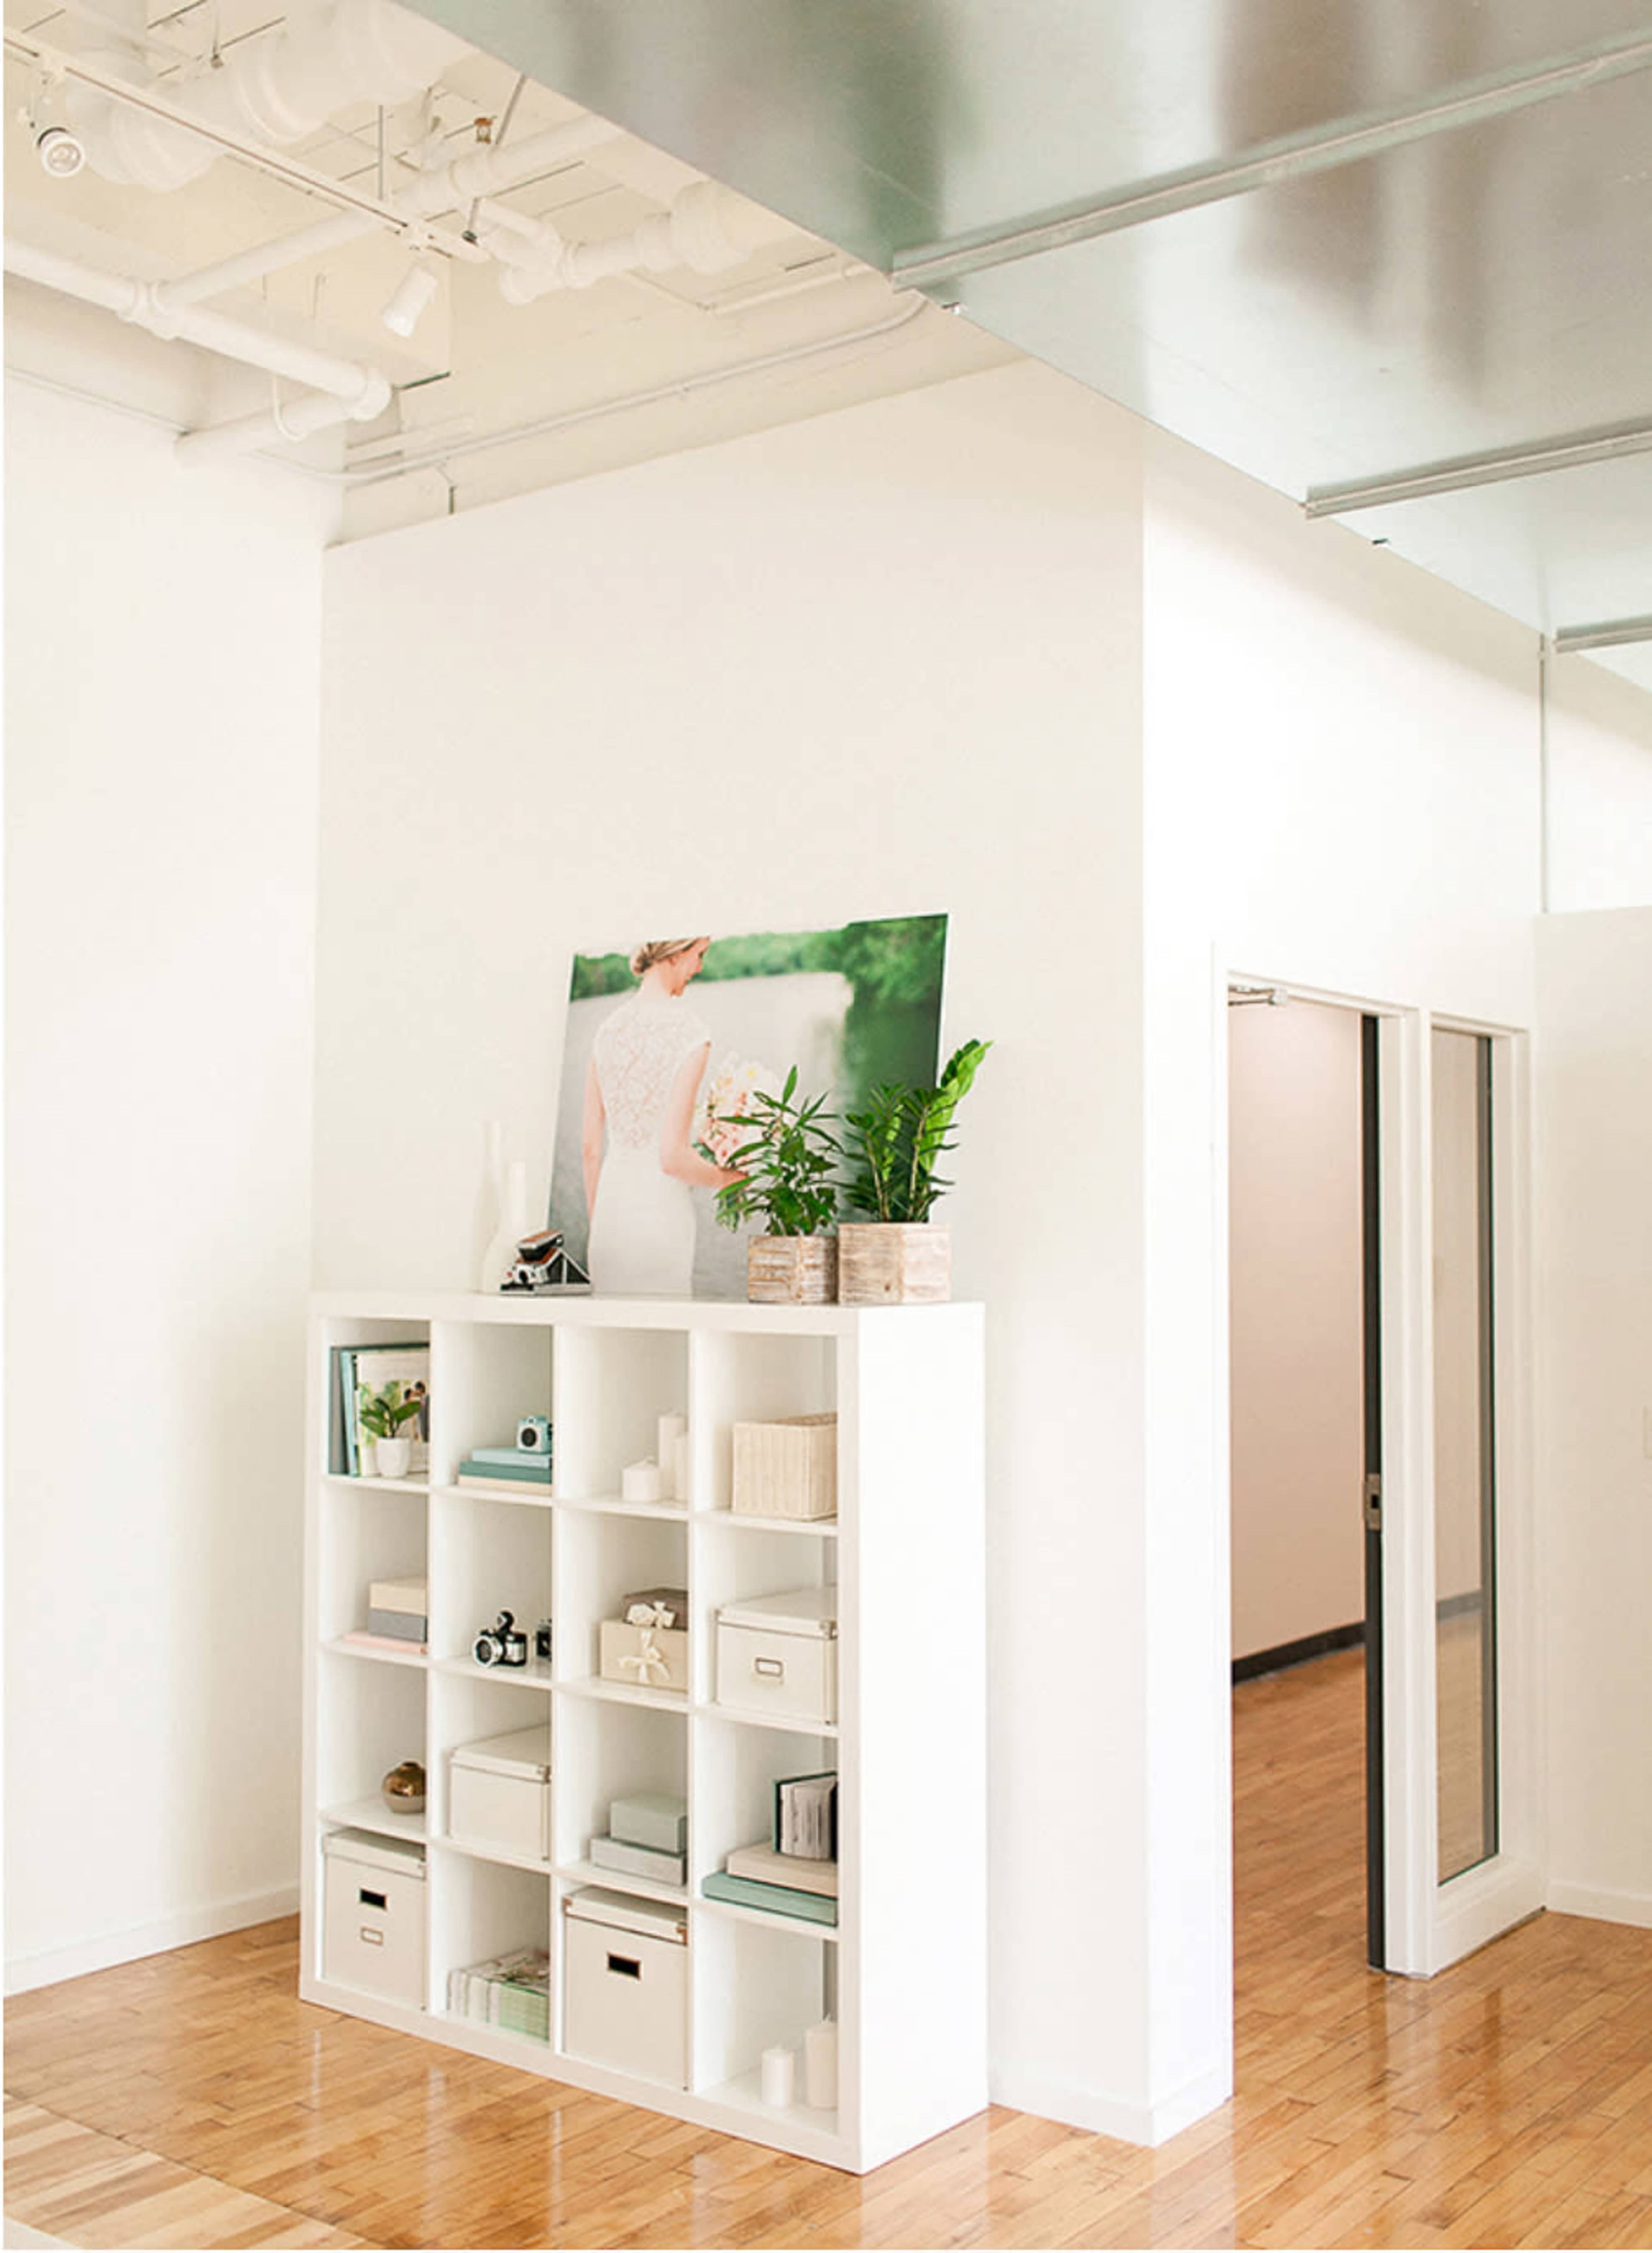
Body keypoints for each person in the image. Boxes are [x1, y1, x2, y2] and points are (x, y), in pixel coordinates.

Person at [582, 937, 742, 1295]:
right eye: (699, 955)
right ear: (676, 953)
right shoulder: (690, 1033)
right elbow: (673, 1158)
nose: (700, 967)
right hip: (661, 1221)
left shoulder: (606, 1030)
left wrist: (599, 1225)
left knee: (608, 1345)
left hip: (609, 1222)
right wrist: (730, 1178)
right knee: (664, 1346)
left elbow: (590, 1148)